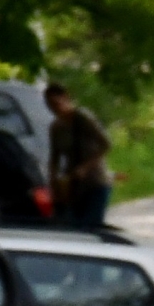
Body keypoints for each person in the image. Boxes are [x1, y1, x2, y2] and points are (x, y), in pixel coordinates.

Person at [44, 82, 113, 227]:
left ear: (65, 98)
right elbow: (54, 158)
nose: (54, 108)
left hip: (95, 181)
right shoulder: (56, 128)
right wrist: (53, 182)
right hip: (74, 187)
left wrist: (85, 167)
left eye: (56, 103)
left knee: (90, 225)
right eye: (49, 105)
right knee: (72, 225)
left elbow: (106, 144)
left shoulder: (82, 118)